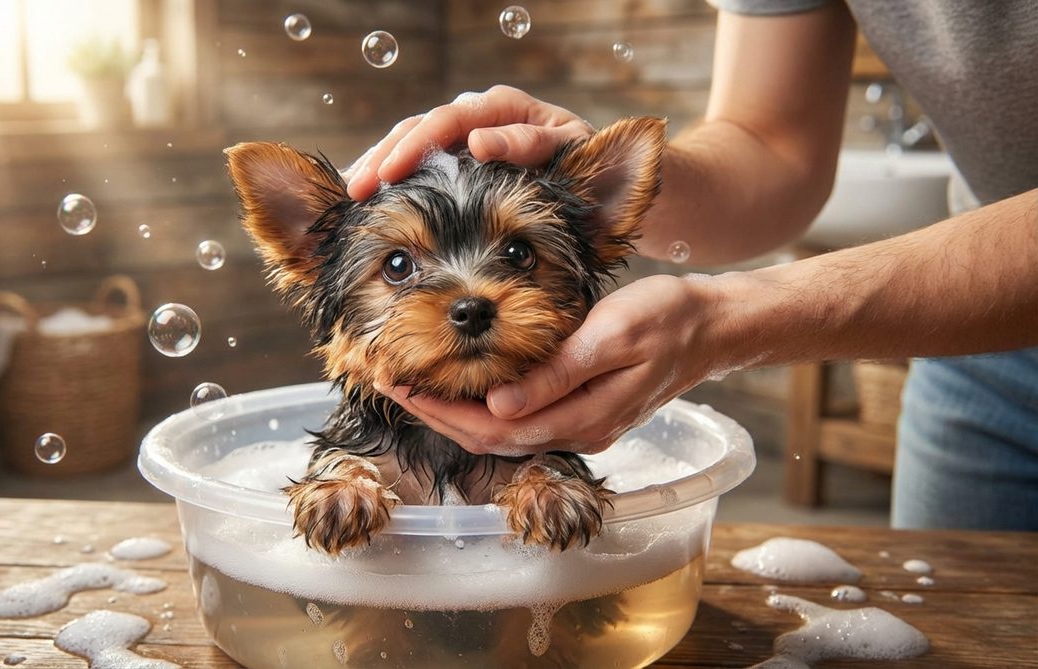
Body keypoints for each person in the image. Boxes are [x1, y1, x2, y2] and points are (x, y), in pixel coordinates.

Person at [344, 1, 1038, 531]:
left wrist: (726, 316)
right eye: (401, 264)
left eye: (519, 255)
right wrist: (607, 183)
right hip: (979, 358)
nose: (469, 299)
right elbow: (772, 140)